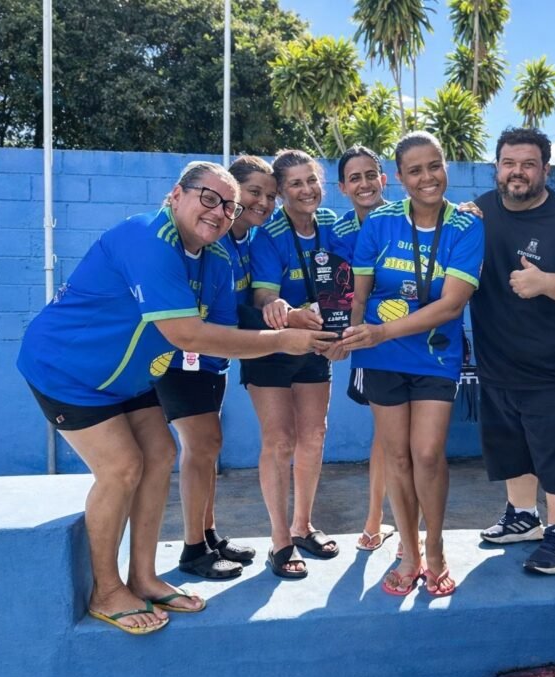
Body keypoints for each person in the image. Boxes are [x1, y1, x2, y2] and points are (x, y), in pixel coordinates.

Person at [17, 161, 334, 635]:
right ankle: (106, 590)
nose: (220, 212)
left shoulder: (217, 259)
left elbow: (224, 332)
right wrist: (282, 340)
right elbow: (188, 334)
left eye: (229, 207)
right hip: (67, 371)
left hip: (130, 379)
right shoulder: (147, 238)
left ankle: (144, 577)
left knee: (162, 454)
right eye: (209, 198)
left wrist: (289, 322)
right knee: (122, 467)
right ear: (176, 195)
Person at [340, 132, 485, 597]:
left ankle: (435, 547)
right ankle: (409, 551)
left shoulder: (466, 226)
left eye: (434, 166)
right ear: (399, 178)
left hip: (435, 354)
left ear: (446, 167)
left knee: (426, 453)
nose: (427, 177)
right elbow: (359, 296)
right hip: (380, 356)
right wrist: (351, 339)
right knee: (397, 455)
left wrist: (382, 332)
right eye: (415, 170)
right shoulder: (380, 222)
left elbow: (451, 305)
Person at [470, 127, 555, 575]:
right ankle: (523, 517)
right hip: (499, 362)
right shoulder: (479, 212)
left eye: (528, 164)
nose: (518, 172)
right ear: (496, 168)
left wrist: (546, 282)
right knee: (511, 447)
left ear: (545, 170)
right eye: (509, 163)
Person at [154, 156, 277, 580]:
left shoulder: (243, 241)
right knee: (200, 445)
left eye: (270, 195)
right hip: (180, 357)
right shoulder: (204, 239)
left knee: (209, 446)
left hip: (213, 358)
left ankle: (207, 535)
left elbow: (233, 312)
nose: (262, 202)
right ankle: (192, 549)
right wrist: (281, 335)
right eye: (253, 193)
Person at [245, 149, 339, 579]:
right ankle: (280, 539)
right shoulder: (270, 234)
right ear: (281, 193)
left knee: (314, 437)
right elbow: (264, 295)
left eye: (311, 180)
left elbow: (377, 222)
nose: (306, 190)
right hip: (273, 347)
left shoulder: (333, 225)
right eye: (295, 184)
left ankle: (303, 526)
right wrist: (279, 306)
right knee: (279, 441)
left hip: (315, 346)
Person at [327, 145, 395, 553]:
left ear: (383, 179)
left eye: (371, 175)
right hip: (372, 344)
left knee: (420, 441)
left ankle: (412, 531)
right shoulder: (339, 234)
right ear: (342, 187)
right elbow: (342, 295)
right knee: (386, 434)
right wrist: (341, 338)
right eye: (355, 177)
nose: (365, 184)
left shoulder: (409, 217)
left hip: (416, 340)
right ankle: (374, 521)